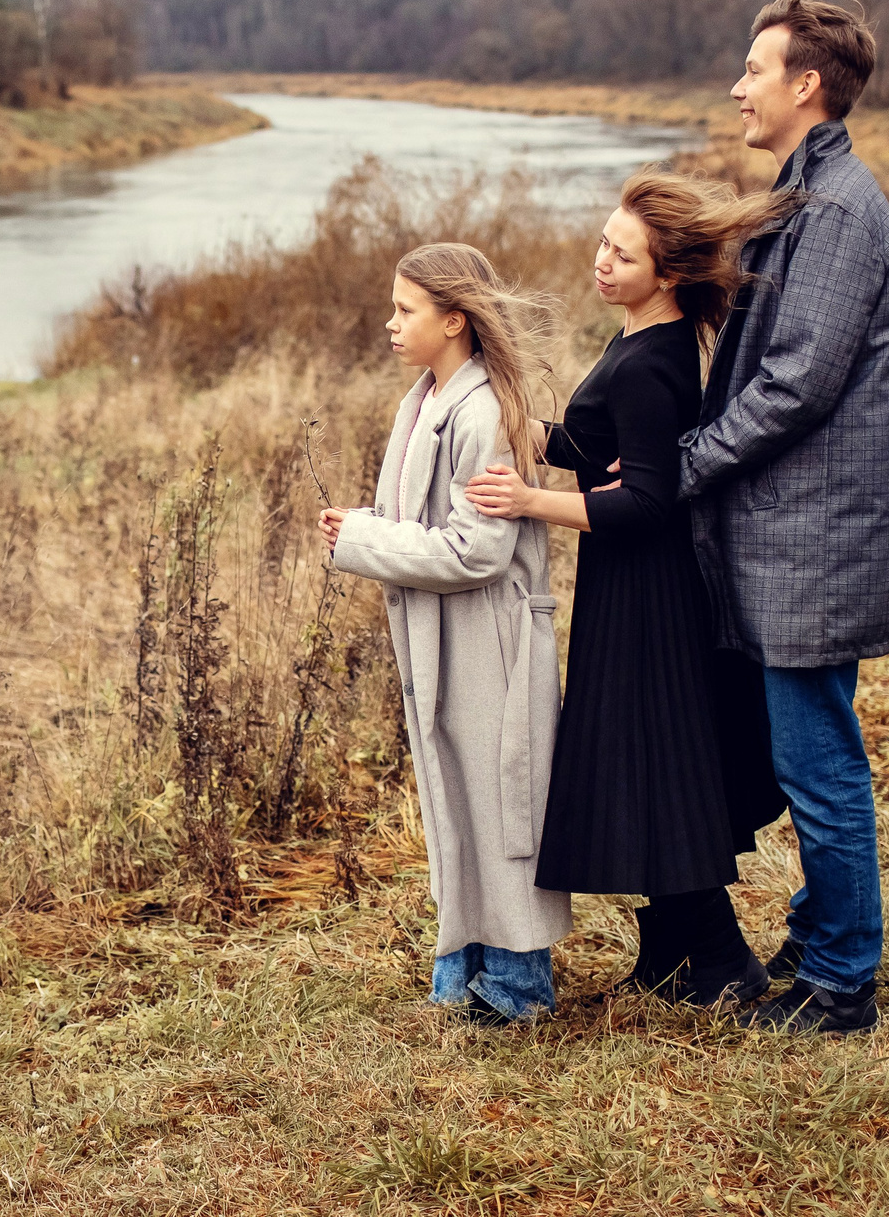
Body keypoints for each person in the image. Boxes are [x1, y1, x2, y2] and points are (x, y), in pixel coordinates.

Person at [462, 170, 792, 1012]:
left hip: (651, 592)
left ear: (669, 273)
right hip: (630, 583)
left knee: (654, 763)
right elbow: (594, 445)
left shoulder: (652, 361)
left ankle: (722, 964)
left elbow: (646, 501)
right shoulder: (640, 338)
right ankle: (671, 956)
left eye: (623, 254)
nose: (601, 260)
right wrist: (511, 421)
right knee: (640, 763)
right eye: (604, 242)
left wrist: (529, 500)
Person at [682, 0, 889, 1037]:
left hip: (817, 541)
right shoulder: (806, 193)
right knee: (807, 755)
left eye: (755, 70)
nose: (738, 87)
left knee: (819, 764)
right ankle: (823, 933)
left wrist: (690, 461)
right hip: (804, 533)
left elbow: (798, 382)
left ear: (807, 84)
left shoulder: (833, 209)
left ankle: (840, 983)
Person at [322, 243, 573, 1023]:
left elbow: (476, 550)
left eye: (407, 310)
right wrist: (364, 526)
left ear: (456, 319)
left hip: (490, 640)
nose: (391, 323)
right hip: (446, 633)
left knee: (501, 804)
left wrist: (362, 539)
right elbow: (420, 522)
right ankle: (461, 971)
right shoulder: (425, 399)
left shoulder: (483, 412)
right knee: (456, 796)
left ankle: (518, 987)